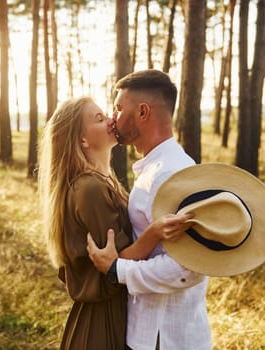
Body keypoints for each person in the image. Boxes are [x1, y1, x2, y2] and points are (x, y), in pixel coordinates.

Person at [38, 96, 193, 350]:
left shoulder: (103, 181)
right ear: (82, 140)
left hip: (115, 313)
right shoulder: (89, 188)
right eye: (99, 119)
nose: (111, 119)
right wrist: (153, 233)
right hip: (102, 323)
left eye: (107, 113)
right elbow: (115, 262)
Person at [86, 69, 213, 350]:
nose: (113, 117)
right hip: (147, 331)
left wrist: (118, 270)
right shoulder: (153, 167)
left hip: (166, 337)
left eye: (119, 108)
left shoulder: (171, 172)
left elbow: (189, 266)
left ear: (143, 112)